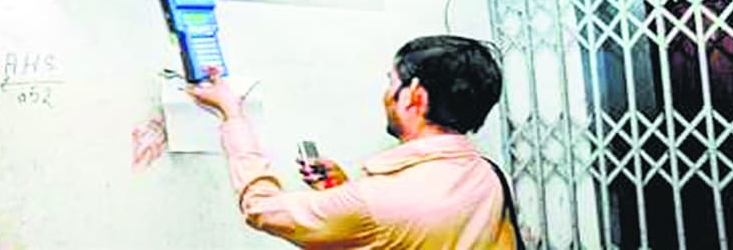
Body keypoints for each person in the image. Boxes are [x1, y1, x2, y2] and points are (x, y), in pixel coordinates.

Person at [189, 35, 518, 249]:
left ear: (414, 96)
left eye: (391, 82)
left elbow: (261, 208)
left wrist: (232, 114)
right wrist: (340, 188)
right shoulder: (487, 175)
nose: (386, 94)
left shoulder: (377, 201)